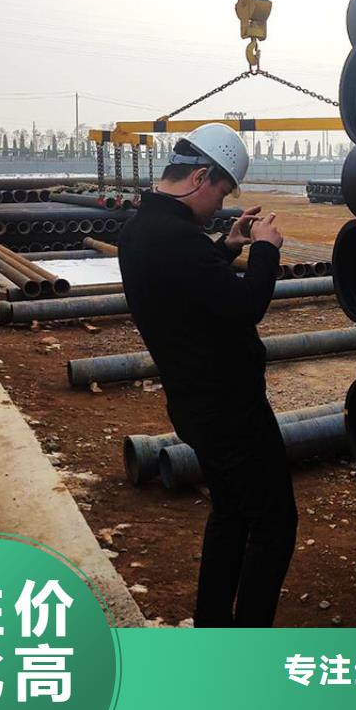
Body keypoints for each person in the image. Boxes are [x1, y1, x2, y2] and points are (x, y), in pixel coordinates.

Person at [118, 123, 297, 627]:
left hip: (194, 404)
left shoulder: (142, 231)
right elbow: (244, 305)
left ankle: (213, 625)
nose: (220, 205)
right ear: (200, 177)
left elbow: (191, 286)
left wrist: (227, 245)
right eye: (221, 192)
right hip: (231, 411)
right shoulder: (178, 239)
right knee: (274, 524)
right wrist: (265, 249)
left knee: (230, 512)